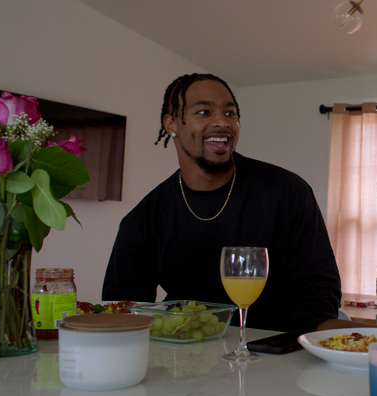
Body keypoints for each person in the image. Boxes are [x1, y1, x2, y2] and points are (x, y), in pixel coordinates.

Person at [102, 73, 341, 332]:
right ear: (171, 124)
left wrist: (290, 350)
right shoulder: (144, 220)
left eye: (230, 113)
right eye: (204, 112)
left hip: (278, 354)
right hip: (186, 360)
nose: (222, 122)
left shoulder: (288, 192)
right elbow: (123, 311)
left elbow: (319, 288)